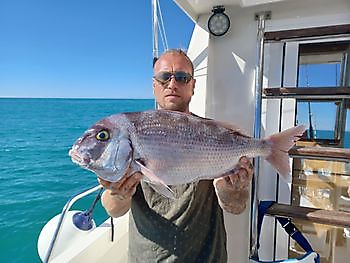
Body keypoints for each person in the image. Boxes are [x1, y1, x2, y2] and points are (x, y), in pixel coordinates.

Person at [98, 49, 253, 262]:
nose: (172, 84)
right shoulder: (133, 135)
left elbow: (236, 207)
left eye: (181, 77)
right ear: (154, 85)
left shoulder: (212, 134)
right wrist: (119, 193)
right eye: (164, 77)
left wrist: (232, 190)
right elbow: (115, 210)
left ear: (193, 85)